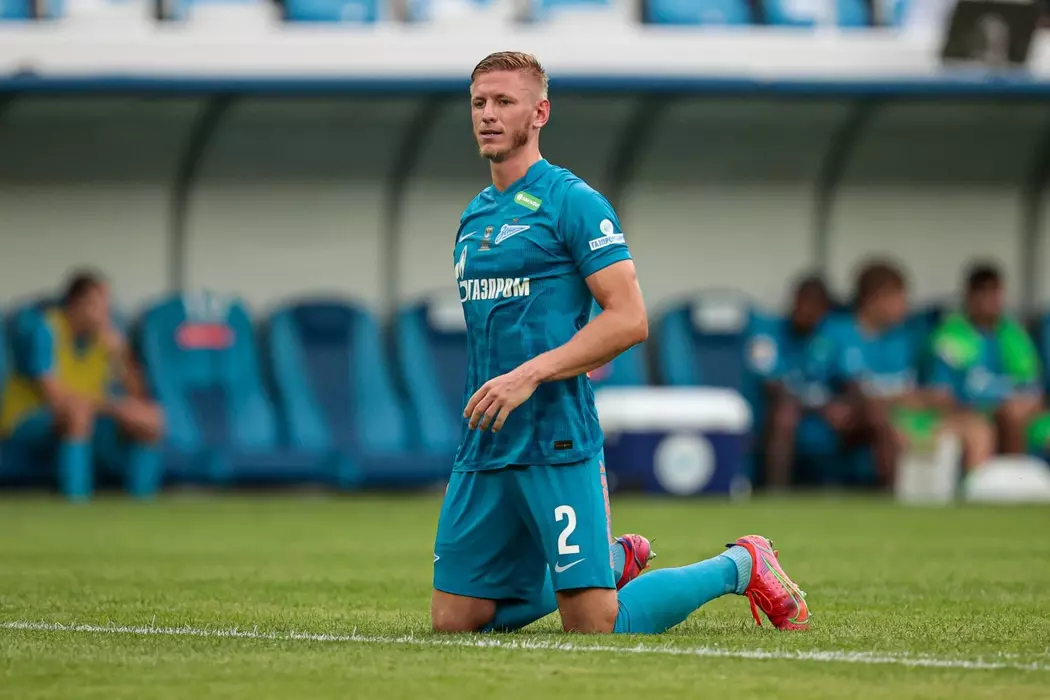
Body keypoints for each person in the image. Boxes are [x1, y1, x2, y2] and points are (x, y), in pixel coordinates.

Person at [431, 51, 809, 635]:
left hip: (556, 438)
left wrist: (530, 374)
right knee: (455, 623)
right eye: (479, 102)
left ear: (540, 113)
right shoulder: (474, 216)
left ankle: (740, 564)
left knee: (593, 626)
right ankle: (611, 562)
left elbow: (629, 319)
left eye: (504, 101)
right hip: (484, 439)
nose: (487, 114)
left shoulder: (573, 202)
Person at [0, 270, 164, 500]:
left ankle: (141, 504)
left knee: (150, 418)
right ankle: (76, 501)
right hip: (29, 420)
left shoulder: (105, 339)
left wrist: (121, 355)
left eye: (107, 306)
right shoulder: (46, 329)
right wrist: (114, 408)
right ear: (77, 304)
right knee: (78, 413)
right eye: (98, 305)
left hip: (90, 417)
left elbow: (138, 394)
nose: (105, 314)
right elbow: (55, 397)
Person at [928, 262, 1047, 463]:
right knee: (983, 429)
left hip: (1016, 415)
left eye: (995, 292)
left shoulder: (1014, 334)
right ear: (969, 296)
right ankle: (1005, 478)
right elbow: (941, 395)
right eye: (983, 293)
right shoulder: (950, 337)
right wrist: (993, 407)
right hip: (969, 413)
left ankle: (1018, 477)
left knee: (1017, 414)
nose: (989, 300)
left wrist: (1024, 405)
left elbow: (1034, 390)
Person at [759, 274, 833, 489]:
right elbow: (772, 386)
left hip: (823, 409)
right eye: (804, 303)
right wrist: (814, 403)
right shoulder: (767, 334)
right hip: (783, 407)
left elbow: (847, 380)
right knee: (785, 415)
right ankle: (777, 491)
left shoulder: (829, 336)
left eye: (816, 306)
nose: (808, 311)